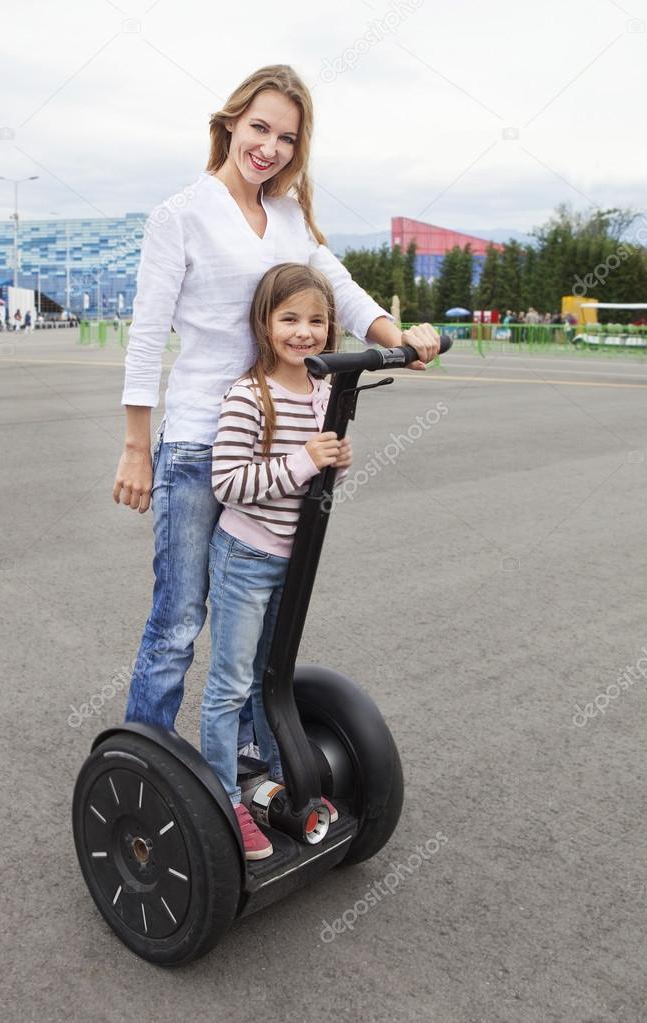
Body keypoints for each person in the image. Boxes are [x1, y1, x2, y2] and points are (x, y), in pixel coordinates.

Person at [114, 64, 440, 737]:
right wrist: (135, 448)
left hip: (281, 444)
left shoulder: (290, 217)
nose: (270, 146)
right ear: (230, 122)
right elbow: (146, 339)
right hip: (201, 440)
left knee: (263, 609)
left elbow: (342, 290)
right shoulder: (178, 216)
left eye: (287, 137)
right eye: (259, 127)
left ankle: (251, 761)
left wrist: (397, 336)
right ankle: (145, 762)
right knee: (178, 618)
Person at [202, 262, 349, 858]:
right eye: (289, 318)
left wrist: (333, 459)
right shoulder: (249, 395)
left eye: (316, 319)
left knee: (272, 676)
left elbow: (318, 469)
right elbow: (228, 484)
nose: (303, 331)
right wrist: (306, 460)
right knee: (230, 684)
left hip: (293, 561)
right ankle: (222, 797)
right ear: (264, 324)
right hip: (245, 558)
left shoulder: (323, 390)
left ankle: (269, 777)